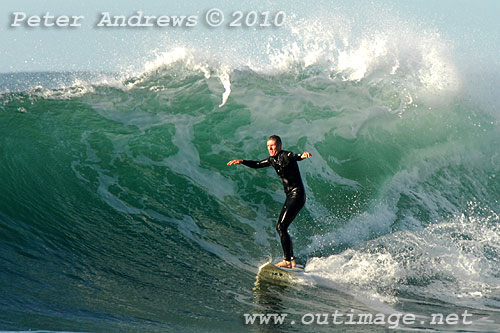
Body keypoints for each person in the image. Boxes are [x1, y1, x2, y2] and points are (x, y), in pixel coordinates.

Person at [227, 135, 312, 268]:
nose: (270, 148)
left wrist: (303, 155)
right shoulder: (272, 160)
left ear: (279, 145)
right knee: (282, 227)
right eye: (268, 146)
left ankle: (287, 261)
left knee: (281, 227)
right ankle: (291, 260)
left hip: (297, 194)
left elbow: (296, 156)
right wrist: (242, 161)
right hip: (290, 196)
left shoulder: (286, 155)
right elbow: (257, 164)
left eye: (273, 146)